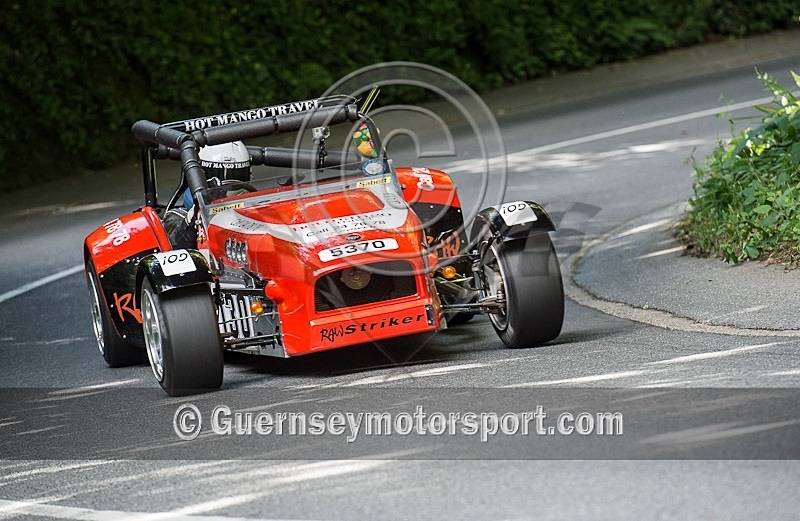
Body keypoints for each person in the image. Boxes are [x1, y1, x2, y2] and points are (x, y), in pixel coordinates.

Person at [163, 141, 252, 248]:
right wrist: (196, 215)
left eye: (237, 176)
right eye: (216, 175)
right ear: (196, 176)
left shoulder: (258, 207)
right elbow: (178, 242)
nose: (225, 186)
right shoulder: (176, 217)